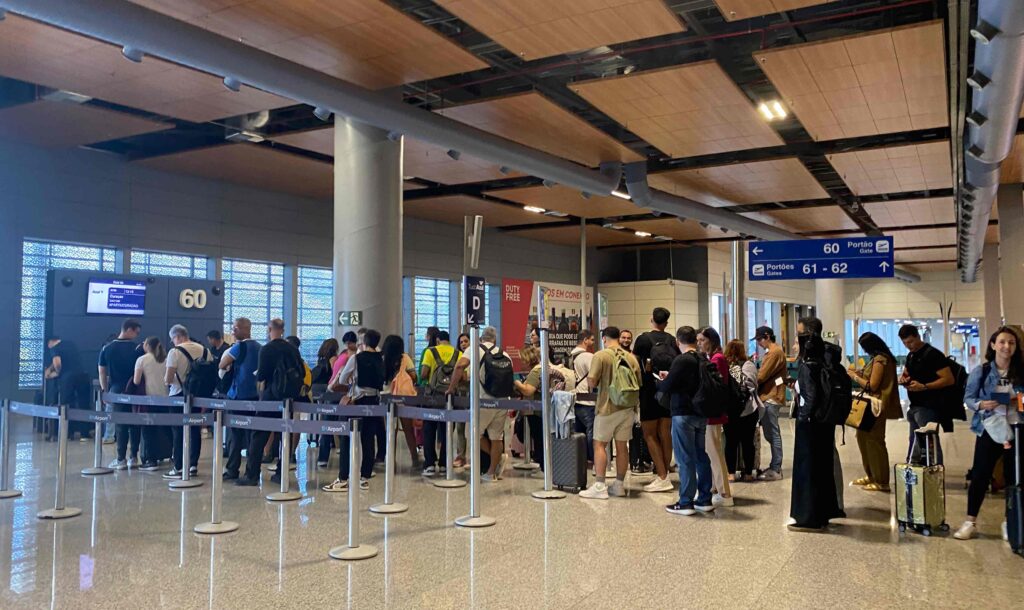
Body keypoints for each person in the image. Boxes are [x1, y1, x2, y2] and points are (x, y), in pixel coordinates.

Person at [954, 326, 1022, 540]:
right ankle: (970, 521)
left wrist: (1015, 400)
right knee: (980, 475)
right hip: (989, 428)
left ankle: (1009, 521)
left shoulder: (1021, 372)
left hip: (1017, 429)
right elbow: (969, 398)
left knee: (1014, 477)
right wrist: (982, 404)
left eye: (1011, 342)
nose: (1006, 346)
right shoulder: (981, 371)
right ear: (993, 345)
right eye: (1002, 342)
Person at [789, 316, 844, 532]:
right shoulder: (827, 358)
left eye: (798, 337)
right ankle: (824, 512)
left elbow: (810, 397)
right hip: (825, 421)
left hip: (810, 425)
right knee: (823, 468)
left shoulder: (808, 365)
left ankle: (808, 516)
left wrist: (803, 416)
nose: (795, 343)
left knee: (807, 469)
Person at [234, 319, 302, 486]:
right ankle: (281, 472)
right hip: (288, 398)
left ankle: (252, 474)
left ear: (270, 329)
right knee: (284, 434)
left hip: (271, 397)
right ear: (283, 329)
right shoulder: (292, 349)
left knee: (259, 435)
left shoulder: (267, 349)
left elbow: (262, 375)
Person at [579, 327, 641, 499]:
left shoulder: (601, 355)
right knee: (622, 447)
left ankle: (599, 485)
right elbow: (638, 382)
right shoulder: (631, 357)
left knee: (599, 445)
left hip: (607, 407)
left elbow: (592, 381)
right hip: (628, 408)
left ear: (604, 338)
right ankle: (619, 485)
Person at [658, 326, 714, 515]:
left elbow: (668, 385)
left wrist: (662, 379)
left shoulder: (681, 360)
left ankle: (685, 501)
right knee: (700, 455)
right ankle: (705, 498)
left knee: (684, 458)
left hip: (683, 413)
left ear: (677, 341)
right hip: (701, 413)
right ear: (695, 340)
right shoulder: (702, 357)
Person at [323, 329, 385, 492]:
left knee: (346, 438)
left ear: (364, 342)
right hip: (374, 402)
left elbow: (343, 379)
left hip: (356, 400)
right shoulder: (380, 359)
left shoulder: (356, 358)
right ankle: (364, 477)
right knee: (368, 439)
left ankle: (343, 477)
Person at [447, 326, 511, 481]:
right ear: (495, 339)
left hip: (483, 400)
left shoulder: (475, 350)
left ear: (481, 338)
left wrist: (451, 388)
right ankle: (491, 473)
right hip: (502, 401)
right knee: (497, 437)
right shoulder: (504, 354)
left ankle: (495, 458)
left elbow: (460, 365)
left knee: (472, 433)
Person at [847, 332, 901, 492]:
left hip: (875, 407)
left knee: (874, 442)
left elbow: (872, 386)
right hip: (870, 407)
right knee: (863, 439)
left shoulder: (880, 360)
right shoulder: (878, 360)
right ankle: (871, 475)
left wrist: (854, 377)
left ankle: (881, 481)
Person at [631, 308, 678, 493]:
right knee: (665, 432)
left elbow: (635, 364)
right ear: (666, 323)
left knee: (649, 434)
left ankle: (662, 477)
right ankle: (664, 472)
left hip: (649, 390)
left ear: (651, 320)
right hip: (667, 390)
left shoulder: (643, 339)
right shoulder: (672, 340)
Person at [899, 324, 955, 465]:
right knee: (915, 442)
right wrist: (904, 379)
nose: (908, 345)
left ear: (918, 336)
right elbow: (907, 373)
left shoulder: (933, 354)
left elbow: (948, 379)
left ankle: (935, 471)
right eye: (905, 343)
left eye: (911, 341)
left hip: (929, 406)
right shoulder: (911, 355)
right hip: (915, 406)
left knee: (930, 443)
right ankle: (916, 472)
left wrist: (924, 386)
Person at [163, 324, 211, 479]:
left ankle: (178, 466)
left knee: (178, 431)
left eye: (173, 339)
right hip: (198, 397)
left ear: (178, 336)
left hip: (178, 395)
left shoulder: (174, 352)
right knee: (195, 430)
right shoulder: (205, 350)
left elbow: (169, 378)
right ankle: (192, 465)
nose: (173, 342)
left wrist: (168, 381)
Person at [219, 318, 261, 481]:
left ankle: (232, 469)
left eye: (235, 328)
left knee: (235, 435)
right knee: (252, 434)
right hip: (255, 395)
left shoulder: (239, 347)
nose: (233, 331)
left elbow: (222, 364)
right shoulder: (259, 347)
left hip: (237, 396)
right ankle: (250, 470)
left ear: (245, 329)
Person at [98, 319, 143, 469]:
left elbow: (102, 371)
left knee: (120, 424)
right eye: (136, 331)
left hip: (117, 390)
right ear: (129, 329)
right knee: (135, 423)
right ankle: (134, 457)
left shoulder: (107, 348)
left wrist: (105, 390)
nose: (137, 335)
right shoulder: (138, 348)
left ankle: (120, 459)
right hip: (135, 389)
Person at [697, 326, 733, 507]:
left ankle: (724, 492)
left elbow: (713, 387)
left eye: (702, 340)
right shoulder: (713, 358)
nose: (700, 344)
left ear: (711, 340)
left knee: (714, 453)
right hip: (712, 412)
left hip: (712, 413)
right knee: (712, 451)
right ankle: (715, 487)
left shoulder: (717, 359)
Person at [419, 331, 460, 475]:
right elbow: (464, 376)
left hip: (433, 397)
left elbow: (424, 374)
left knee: (429, 430)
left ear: (438, 340)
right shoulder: (458, 353)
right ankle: (444, 464)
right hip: (450, 398)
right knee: (447, 430)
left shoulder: (430, 352)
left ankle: (429, 464)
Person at [724, 339, 761, 483]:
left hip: (730, 410)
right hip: (748, 410)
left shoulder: (725, 365)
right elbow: (752, 386)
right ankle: (748, 473)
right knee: (747, 442)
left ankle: (731, 473)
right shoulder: (748, 365)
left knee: (731, 442)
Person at [382, 334, 420, 468]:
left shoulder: (382, 358)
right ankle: (415, 458)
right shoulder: (404, 358)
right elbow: (414, 376)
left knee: (391, 431)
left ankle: (390, 459)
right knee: (408, 429)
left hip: (386, 398)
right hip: (403, 398)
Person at [754, 326, 786, 480]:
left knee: (773, 434)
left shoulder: (774, 352)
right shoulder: (774, 352)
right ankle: (775, 466)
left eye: (760, 339)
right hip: (770, 395)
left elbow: (761, 376)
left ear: (767, 336)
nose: (759, 343)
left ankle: (776, 468)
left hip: (771, 397)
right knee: (771, 433)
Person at [134, 336, 170, 471]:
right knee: (168, 430)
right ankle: (176, 456)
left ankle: (151, 460)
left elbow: (136, 381)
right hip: (165, 399)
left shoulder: (141, 360)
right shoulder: (166, 359)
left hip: (148, 400)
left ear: (147, 345)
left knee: (148, 431)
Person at [46, 335, 92, 440]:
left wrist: (57, 372)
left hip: (68, 379)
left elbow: (57, 363)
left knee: (66, 405)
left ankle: (67, 433)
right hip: (83, 376)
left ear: (50, 342)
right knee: (83, 404)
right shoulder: (70, 343)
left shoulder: (54, 348)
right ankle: (84, 433)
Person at [513, 346, 545, 470]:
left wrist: (515, 381)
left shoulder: (536, 371)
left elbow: (528, 391)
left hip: (536, 411)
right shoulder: (539, 369)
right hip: (538, 410)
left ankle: (543, 467)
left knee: (539, 439)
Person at [568, 330, 597, 465]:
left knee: (579, 431)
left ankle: (581, 458)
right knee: (592, 430)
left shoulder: (570, 356)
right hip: (588, 399)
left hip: (574, 398)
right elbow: (594, 376)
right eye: (591, 339)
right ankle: (593, 457)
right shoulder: (588, 356)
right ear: (585, 340)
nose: (593, 342)